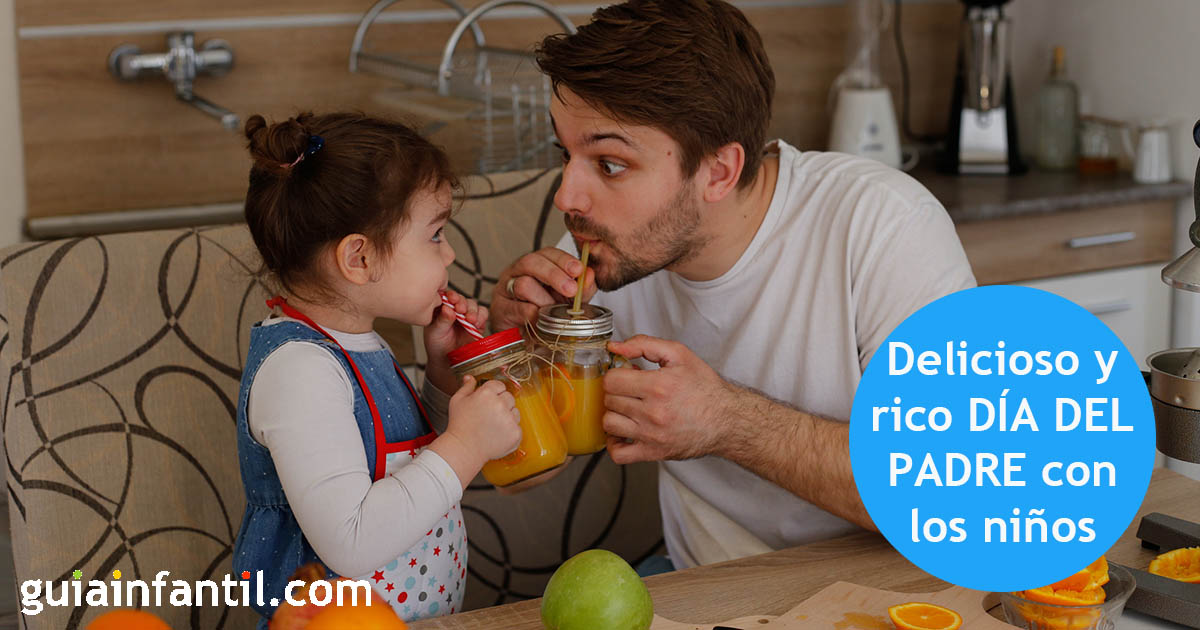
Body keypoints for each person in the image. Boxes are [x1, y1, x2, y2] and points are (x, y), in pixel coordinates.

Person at [489, 0, 976, 571]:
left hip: (896, 585)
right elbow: (526, 477)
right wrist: (515, 363)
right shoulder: (602, 255)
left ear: (718, 171)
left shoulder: (884, 226)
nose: (566, 196)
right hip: (704, 585)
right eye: (566, 155)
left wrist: (727, 422)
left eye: (610, 164)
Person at [233, 112, 521, 627]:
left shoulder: (356, 344)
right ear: (360, 259)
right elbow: (352, 540)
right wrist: (468, 446)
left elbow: (401, 459)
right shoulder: (300, 370)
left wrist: (439, 372)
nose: (450, 252)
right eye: (435, 235)